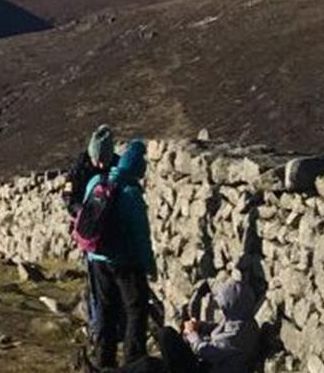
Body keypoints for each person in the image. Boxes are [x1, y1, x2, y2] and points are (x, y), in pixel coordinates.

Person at [85, 138, 156, 369]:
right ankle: (133, 361)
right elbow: (140, 236)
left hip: (97, 258)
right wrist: (149, 266)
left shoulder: (96, 182)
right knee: (136, 309)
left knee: (105, 308)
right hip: (125, 262)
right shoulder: (131, 193)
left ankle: (103, 360)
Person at [67, 125, 118, 357]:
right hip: (92, 237)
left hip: (116, 238)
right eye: (97, 159)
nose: (100, 165)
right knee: (98, 289)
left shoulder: (116, 165)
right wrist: (85, 214)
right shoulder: (79, 169)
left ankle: (111, 330)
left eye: (104, 160)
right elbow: (68, 198)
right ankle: (99, 334)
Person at [153, 278, 261, 373]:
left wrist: (191, 334)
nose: (221, 307)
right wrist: (201, 326)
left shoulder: (238, 333)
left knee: (165, 336)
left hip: (208, 368)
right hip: (206, 364)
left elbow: (205, 351)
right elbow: (222, 329)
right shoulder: (242, 319)